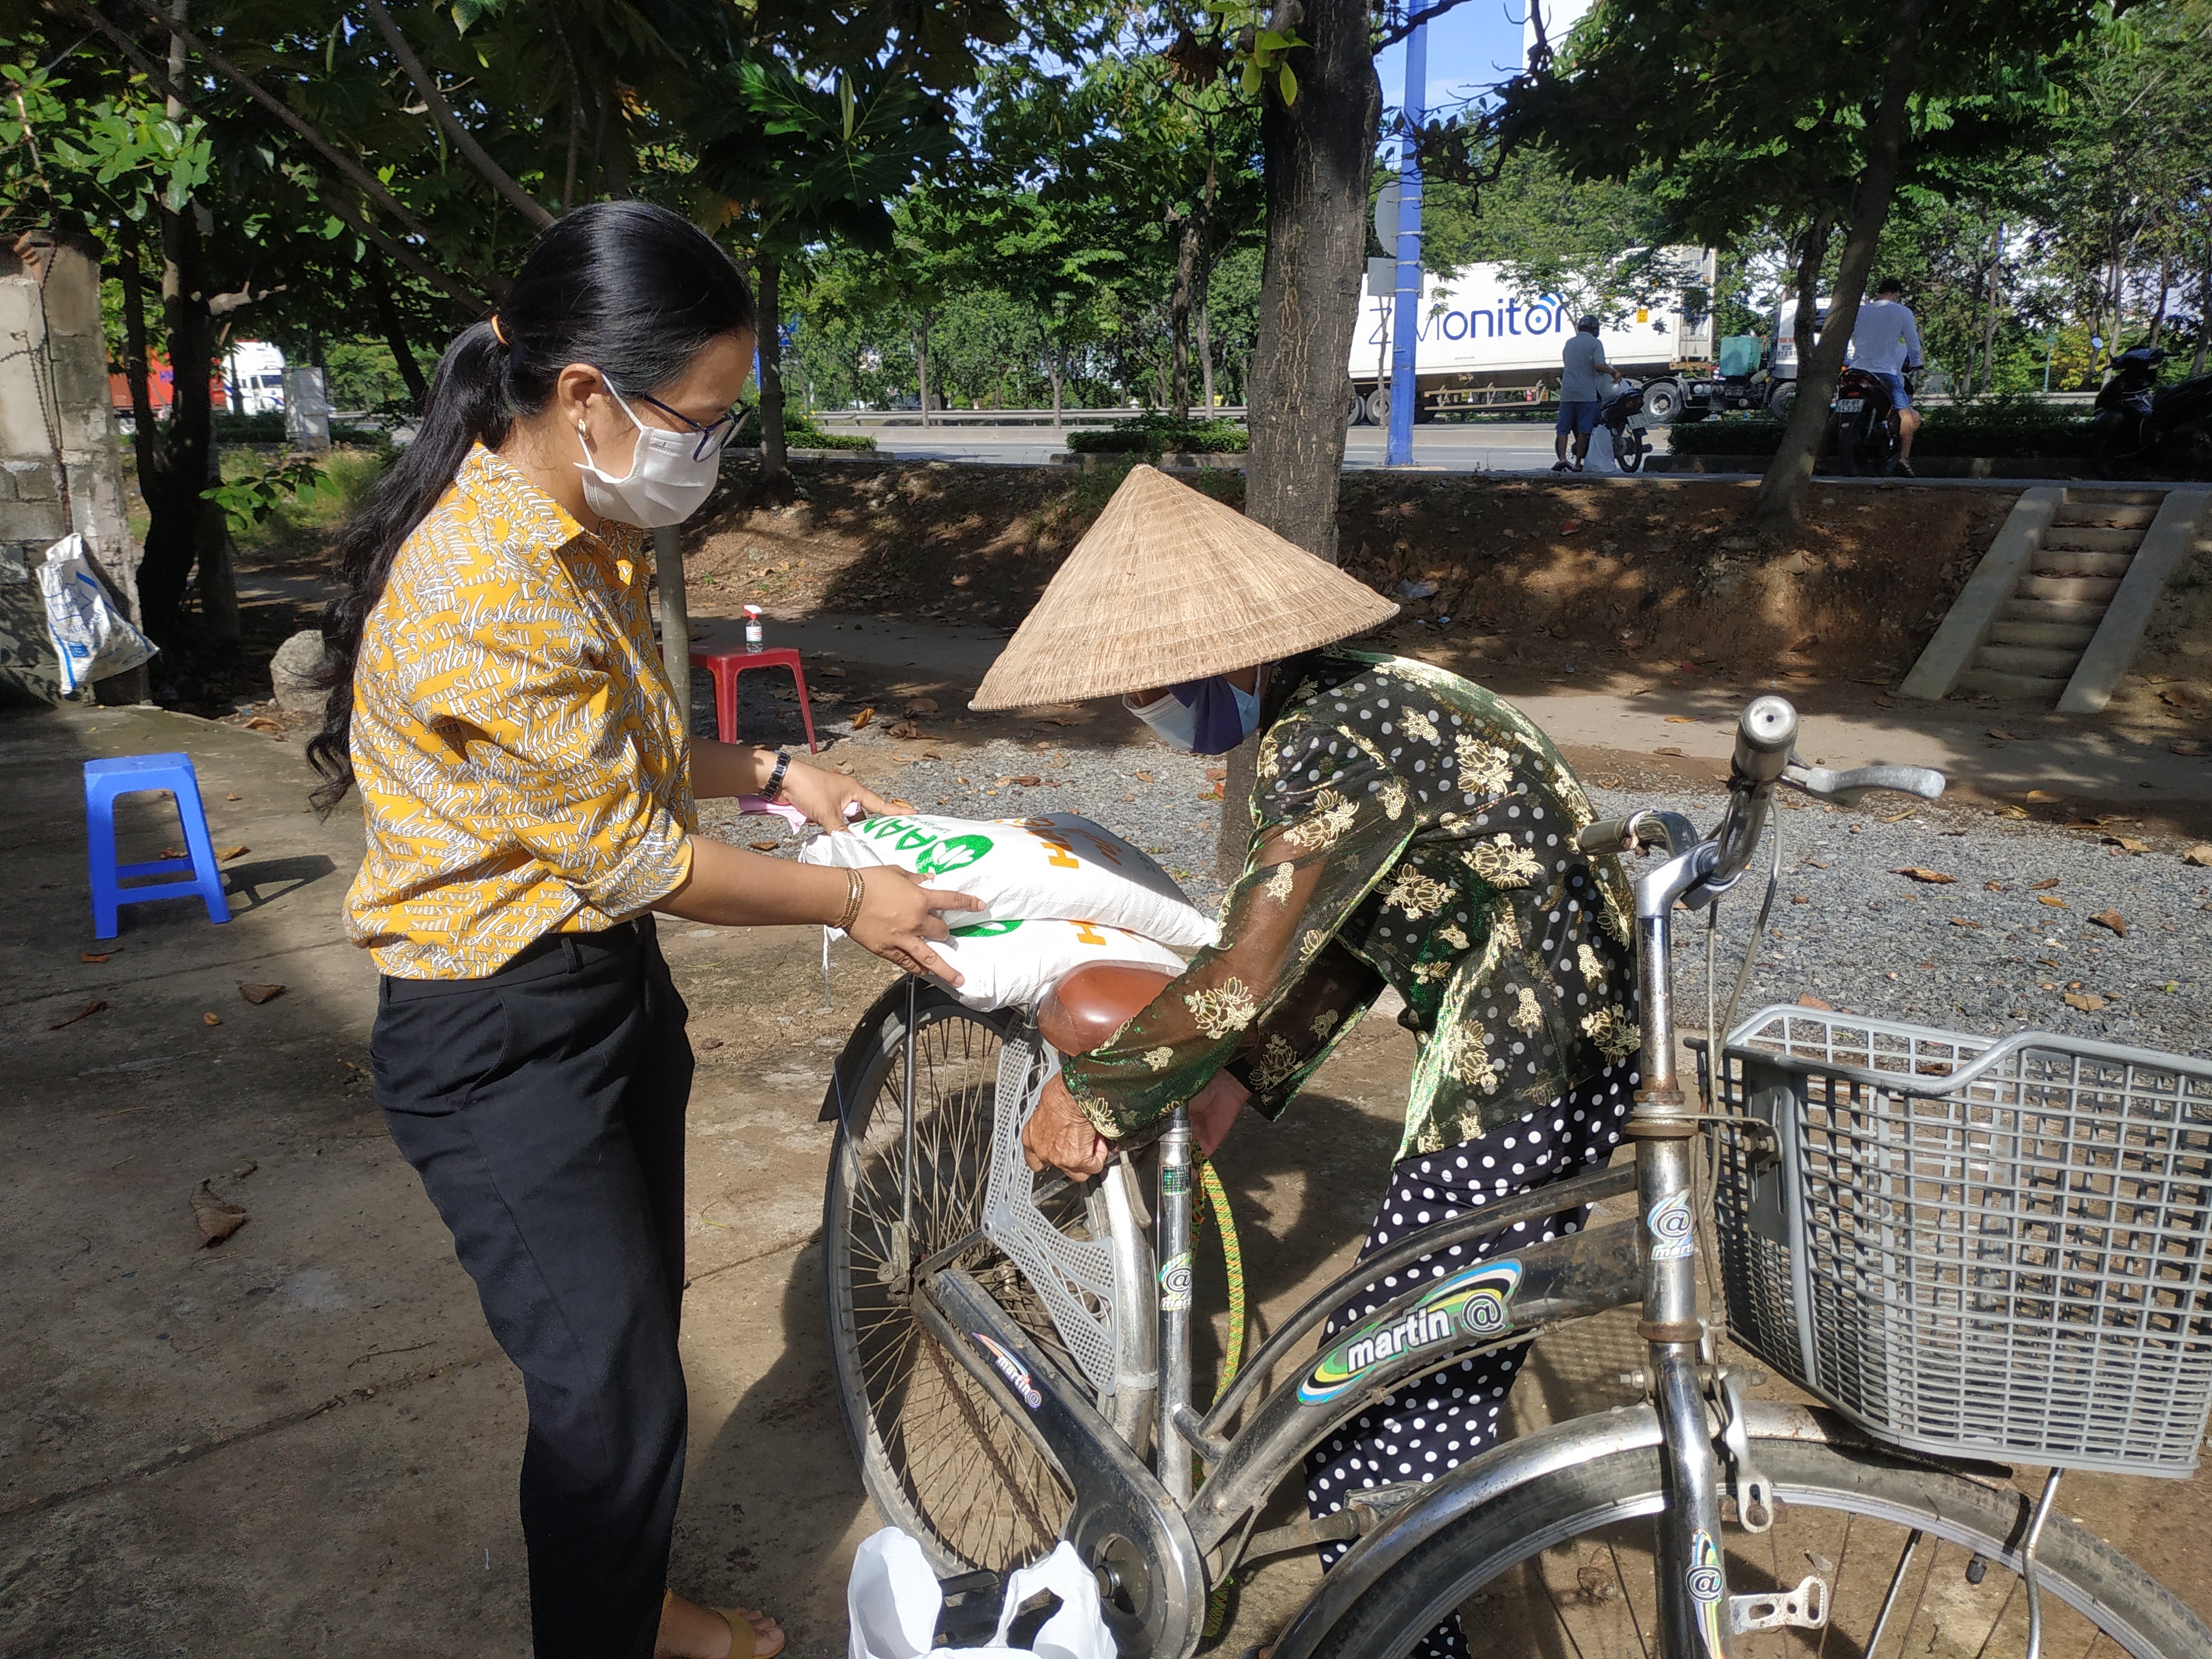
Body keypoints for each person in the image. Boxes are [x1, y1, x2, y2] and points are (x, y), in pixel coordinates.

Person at [306, 200, 978, 1659]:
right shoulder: (486, 576)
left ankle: (633, 1607)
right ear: (586, 395)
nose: (712, 454)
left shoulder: (580, 523)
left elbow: (618, 750)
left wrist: (779, 773)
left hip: (599, 998)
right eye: (704, 418)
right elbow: (637, 857)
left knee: (633, 1356)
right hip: (494, 1035)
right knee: (604, 1400)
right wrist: (855, 897)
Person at [973, 465, 1641, 1659]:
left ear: (1215, 662)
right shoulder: (1365, 700)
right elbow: (1350, 936)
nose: (1145, 708)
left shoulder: (1323, 743)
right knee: (1416, 1353)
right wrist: (1239, 1076)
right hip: (1571, 1042)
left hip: (1521, 1064)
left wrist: (1100, 1086)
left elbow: (1244, 968)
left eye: (1148, 686)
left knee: (1390, 1388)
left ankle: (1399, 1624)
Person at [1849, 276, 1924, 476]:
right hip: (1886, 372)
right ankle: (1903, 460)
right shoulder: (1903, 313)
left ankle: (1819, 458)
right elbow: (1914, 345)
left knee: (1841, 410)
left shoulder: (1860, 311)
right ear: (1897, 294)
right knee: (1907, 415)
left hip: (1856, 370)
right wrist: (1916, 364)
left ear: (1879, 292)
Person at [1552, 314, 1621, 473]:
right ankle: (1577, 464)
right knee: (1584, 430)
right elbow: (1599, 366)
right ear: (1595, 330)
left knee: (1563, 429)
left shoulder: (1569, 343)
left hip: (1568, 393)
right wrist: (1613, 372)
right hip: (1586, 393)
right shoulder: (1596, 343)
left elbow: (1568, 364)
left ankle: (1562, 459)